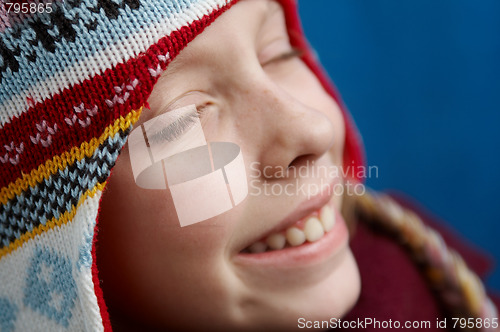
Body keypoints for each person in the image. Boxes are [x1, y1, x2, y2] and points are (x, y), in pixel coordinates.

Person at [0, 0, 497, 331]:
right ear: (50, 236)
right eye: (186, 119)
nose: (311, 130)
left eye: (279, 53)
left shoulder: (432, 295)